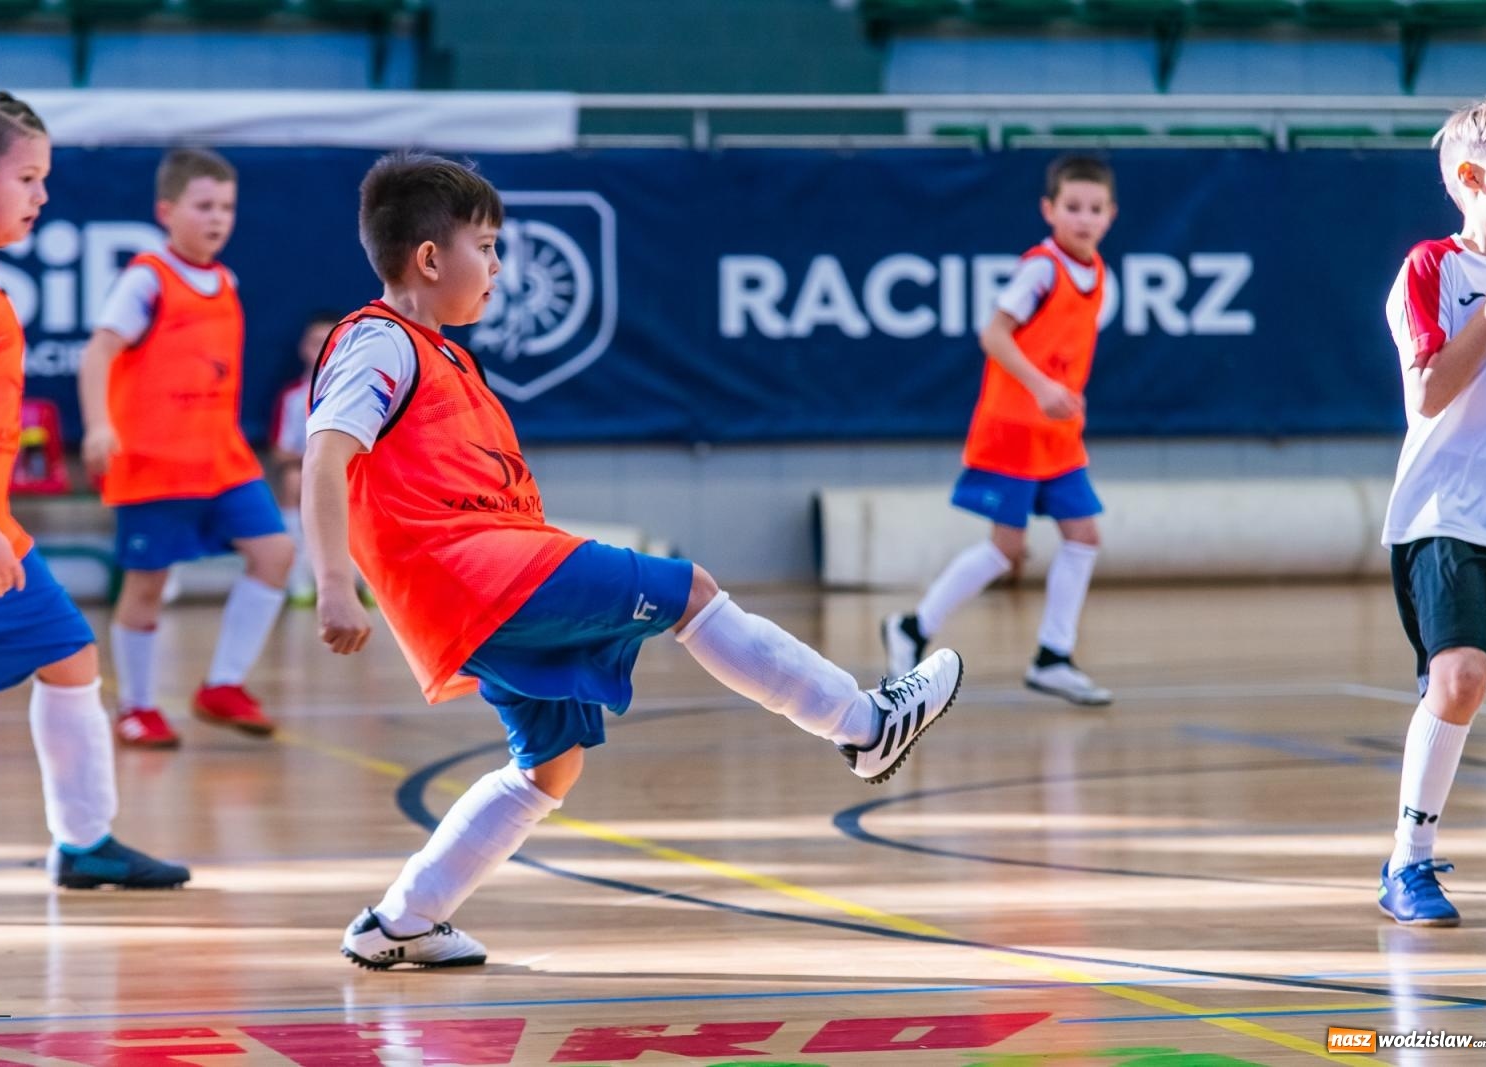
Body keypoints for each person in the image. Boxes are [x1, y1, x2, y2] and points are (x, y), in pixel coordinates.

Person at [302, 153, 964, 969]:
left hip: (483, 582)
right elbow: (325, 456)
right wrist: (334, 582)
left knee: (550, 768)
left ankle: (401, 920)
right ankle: (863, 726)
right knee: (692, 591)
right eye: (488, 246)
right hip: (481, 576)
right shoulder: (378, 342)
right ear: (430, 258)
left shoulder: (443, 357)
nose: (500, 266)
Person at [0, 85, 188, 889]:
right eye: (28, 178)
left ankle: (85, 840)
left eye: (45, 178)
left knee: (69, 654)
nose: (42, 195)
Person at [882, 155, 1117, 707]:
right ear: (1049, 210)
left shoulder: (1099, 272)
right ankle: (912, 628)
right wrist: (1040, 387)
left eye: (1095, 209)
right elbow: (993, 334)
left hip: (1058, 435)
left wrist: (1059, 395)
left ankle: (1053, 657)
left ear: (1111, 214)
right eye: (1073, 207)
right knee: (1005, 548)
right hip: (1014, 427)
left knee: (1083, 536)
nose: (1084, 219)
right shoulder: (1042, 268)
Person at [78, 148, 293, 749]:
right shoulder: (147, 277)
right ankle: (137, 708)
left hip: (221, 458)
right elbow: (98, 352)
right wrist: (99, 427)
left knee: (275, 553)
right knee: (145, 589)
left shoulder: (227, 280)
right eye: (203, 206)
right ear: (166, 210)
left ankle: (223, 685)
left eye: (226, 206)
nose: (217, 217)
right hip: (154, 463)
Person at [1377, 95, 1486, 926]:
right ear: (1472, 179)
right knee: (1460, 676)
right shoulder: (1435, 268)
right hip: (1444, 511)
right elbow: (1428, 390)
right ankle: (1407, 861)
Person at [271, 311, 340, 605]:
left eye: (331, 342)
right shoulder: (292, 397)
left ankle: (364, 580)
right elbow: (280, 450)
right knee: (293, 480)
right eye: (316, 343)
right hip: (309, 470)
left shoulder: (358, 389)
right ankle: (299, 576)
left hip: (350, 471)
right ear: (303, 348)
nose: (323, 350)